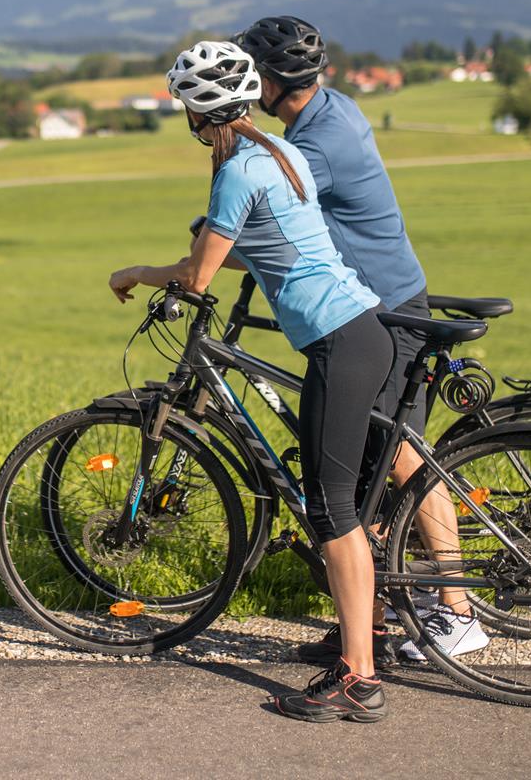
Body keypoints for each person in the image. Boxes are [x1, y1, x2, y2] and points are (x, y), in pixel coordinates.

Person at [107, 40, 393, 723]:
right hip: (361, 329)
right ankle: (368, 634)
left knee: (331, 512)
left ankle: (359, 678)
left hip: (339, 342)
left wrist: (137, 274)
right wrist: (180, 265)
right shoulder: (280, 154)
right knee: (340, 502)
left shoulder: (237, 171)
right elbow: (240, 254)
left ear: (197, 113)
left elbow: (199, 276)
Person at [235, 15, 487, 665]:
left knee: (399, 455)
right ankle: (368, 626)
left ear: (273, 80)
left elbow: (273, 218)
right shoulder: (328, 110)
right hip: (378, 298)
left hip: (382, 309)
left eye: (252, 75)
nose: (247, 85)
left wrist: (209, 237)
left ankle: (456, 613)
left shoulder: (316, 148)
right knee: (370, 468)